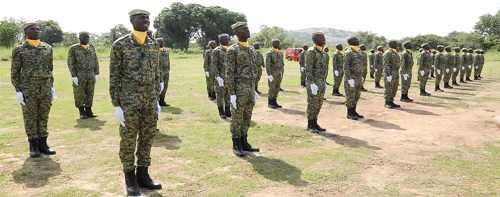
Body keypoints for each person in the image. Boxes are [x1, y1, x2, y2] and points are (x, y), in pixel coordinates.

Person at [109, 9, 163, 196]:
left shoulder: (153, 44)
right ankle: (130, 178)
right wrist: (117, 104)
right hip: (129, 99)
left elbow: (156, 73)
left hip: (149, 98)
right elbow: (114, 76)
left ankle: (143, 175)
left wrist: (157, 99)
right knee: (129, 138)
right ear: (132, 21)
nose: (146, 20)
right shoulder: (121, 44)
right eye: (142, 18)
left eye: (148, 18)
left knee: (148, 136)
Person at [11, 22, 56, 158]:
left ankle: (43, 143)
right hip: (28, 88)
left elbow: (50, 68)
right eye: (32, 29)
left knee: (43, 115)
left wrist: (51, 86)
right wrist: (18, 90)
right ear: (25, 32)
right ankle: (33, 145)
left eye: (38, 29)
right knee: (30, 116)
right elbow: (15, 71)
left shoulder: (47, 48)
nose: (37, 31)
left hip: (45, 87)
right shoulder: (19, 49)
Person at [225, 22, 260, 157]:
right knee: (237, 117)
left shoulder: (251, 49)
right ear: (237, 32)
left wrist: (255, 89)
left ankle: (244, 141)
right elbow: (229, 72)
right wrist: (232, 93)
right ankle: (236, 143)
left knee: (247, 115)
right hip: (239, 87)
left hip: (250, 87)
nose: (247, 30)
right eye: (244, 29)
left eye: (247, 28)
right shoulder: (233, 50)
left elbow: (254, 70)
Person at [67, 31, 99, 119]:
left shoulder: (91, 47)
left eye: (88, 37)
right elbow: (70, 62)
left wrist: (96, 73)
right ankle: (81, 111)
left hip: (91, 73)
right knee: (79, 93)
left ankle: (89, 110)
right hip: (80, 74)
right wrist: (74, 75)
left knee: (90, 92)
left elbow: (95, 61)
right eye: (85, 37)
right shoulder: (74, 48)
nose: (87, 39)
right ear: (80, 38)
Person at [305, 32, 328, 132]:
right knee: (312, 103)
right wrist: (312, 83)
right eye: (322, 38)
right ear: (315, 39)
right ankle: (310, 125)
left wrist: (324, 81)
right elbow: (308, 69)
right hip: (313, 81)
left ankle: (315, 123)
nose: (324, 39)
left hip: (321, 81)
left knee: (319, 103)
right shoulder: (311, 51)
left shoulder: (322, 52)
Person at [343, 36, 365, 120]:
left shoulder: (358, 52)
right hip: (351, 77)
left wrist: (361, 76)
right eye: (355, 39)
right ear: (351, 41)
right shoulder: (348, 52)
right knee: (350, 96)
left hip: (358, 77)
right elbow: (346, 66)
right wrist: (349, 78)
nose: (357, 40)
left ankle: (354, 111)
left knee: (356, 95)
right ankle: (349, 113)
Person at [212, 33, 231, 119]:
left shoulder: (230, 50)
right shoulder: (217, 50)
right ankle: (221, 111)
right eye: (226, 39)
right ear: (220, 41)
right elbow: (214, 64)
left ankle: (228, 110)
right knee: (220, 95)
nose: (228, 41)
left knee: (228, 94)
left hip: (229, 77)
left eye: (228, 39)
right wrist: (217, 76)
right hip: (221, 77)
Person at [266, 39, 284, 109]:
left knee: (277, 88)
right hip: (272, 73)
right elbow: (268, 64)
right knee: (272, 88)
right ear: (274, 44)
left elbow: (281, 63)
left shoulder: (279, 53)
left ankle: (274, 101)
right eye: (278, 43)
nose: (279, 44)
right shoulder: (270, 53)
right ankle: (270, 102)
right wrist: (269, 74)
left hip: (278, 73)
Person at [383, 40, 401, 109]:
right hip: (390, 73)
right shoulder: (388, 53)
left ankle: (391, 100)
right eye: (395, 43)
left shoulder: (395, 52)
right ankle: (387, 102)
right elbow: (386, 64)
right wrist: (388, 75)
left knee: (394, 87)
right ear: (391, 44)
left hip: (395, 72)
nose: (396, 44)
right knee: (388, 88)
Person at [157, 38, 171, 107]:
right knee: (158, 87)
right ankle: (156, 101)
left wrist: (169, 70)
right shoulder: (155, 50)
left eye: (163, 41)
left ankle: (162, 100)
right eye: (161, 41)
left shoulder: (166, 50)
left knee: (165, 86)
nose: (162, 42)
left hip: (166, 71)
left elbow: (168, 61)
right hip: (158, 71)